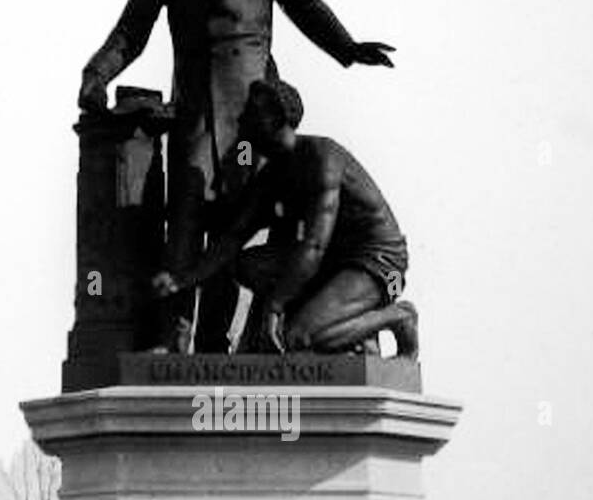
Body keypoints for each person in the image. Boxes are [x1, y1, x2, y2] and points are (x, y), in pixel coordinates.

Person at [79, 0, 395, 352]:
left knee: (234, 232)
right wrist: (95, 75)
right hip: (196, 120)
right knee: (183, 228)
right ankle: (172, 342)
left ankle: (212, 347)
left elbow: (308, 7)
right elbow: (130, 31)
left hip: (251, 127)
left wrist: (348, 47)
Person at [153, 79, 418, 358]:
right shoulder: (272, 175)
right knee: (246, 266)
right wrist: (181, 280)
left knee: (300, 336)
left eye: (251, 113)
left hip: (376, 262)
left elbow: (314, 246)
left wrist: (275, 306)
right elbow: (232, 240)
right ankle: (341, 322)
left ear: (275, 117)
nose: (241, 119)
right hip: (330, 262)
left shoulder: (321, 157)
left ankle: (399, 317)